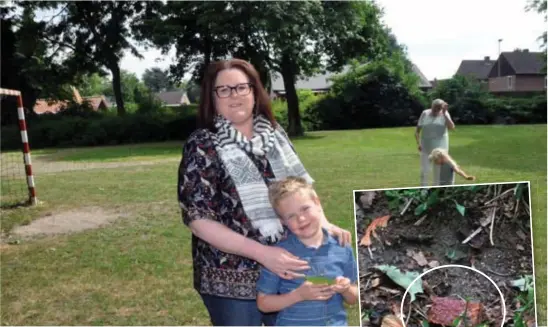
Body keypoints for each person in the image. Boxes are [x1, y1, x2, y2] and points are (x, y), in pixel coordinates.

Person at [177, 58, 352, 326]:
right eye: (223, 90)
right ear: (212, 98)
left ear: (254, 92)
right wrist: (263, 253)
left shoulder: (276, 135)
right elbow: (199, 220)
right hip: (231, 279)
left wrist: (325, 224)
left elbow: (301, 191)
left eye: (241, 87)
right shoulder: (202, 144)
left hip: (290, 270)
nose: (234, 96)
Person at [256, 176, 358, 326]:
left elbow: (354, 298)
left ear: (317, 203)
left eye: (305, 208)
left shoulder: (341, 247)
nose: (301, 219)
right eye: (291, 216)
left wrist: (346, 288)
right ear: (282, 221)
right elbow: (263, 303)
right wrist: (298, 295)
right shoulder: (280, 255)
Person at [415, 99, 455, 186]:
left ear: (441, 108)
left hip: (440, 147)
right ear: (431, 106)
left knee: (438, 171)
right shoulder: (425, 113)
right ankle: (423, 189)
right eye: (434, 108)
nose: (435, 111)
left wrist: (445, 114)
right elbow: (417, 131)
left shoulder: (445, 114)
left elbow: (452, 127)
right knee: (424, 170)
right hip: (426, 145)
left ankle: (436, 188)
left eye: (438, 109)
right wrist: (418, 143)